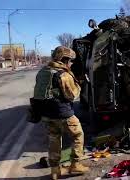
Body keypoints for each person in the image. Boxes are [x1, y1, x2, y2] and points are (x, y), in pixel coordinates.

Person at [33, 46, 89, 179]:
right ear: (64, 59)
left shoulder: (42, 71)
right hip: (62, 113)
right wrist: (80, 85)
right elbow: (72, 96)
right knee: (78, 135)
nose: (71, 63)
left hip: (46, 114)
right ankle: (75, 165)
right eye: (70, 61)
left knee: (54, 140)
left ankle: (55, 171)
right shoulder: (63, 74)